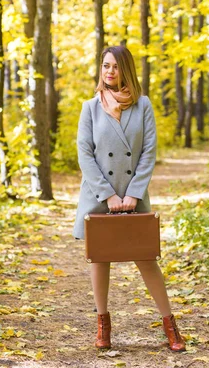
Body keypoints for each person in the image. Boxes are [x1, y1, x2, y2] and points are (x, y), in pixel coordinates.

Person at [72, 45, 186, 352]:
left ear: (126, 70)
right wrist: (107, 194)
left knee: (147, 258)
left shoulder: (143, 105)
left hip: (134, 194)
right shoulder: (91, 107)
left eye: (116, 66)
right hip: (100, 194)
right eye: (105, 65)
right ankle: (103, 326)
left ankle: (170, 325)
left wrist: (133, 193)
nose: (109, 71)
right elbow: (84, 153)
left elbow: (149, 151)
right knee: (100, 258)